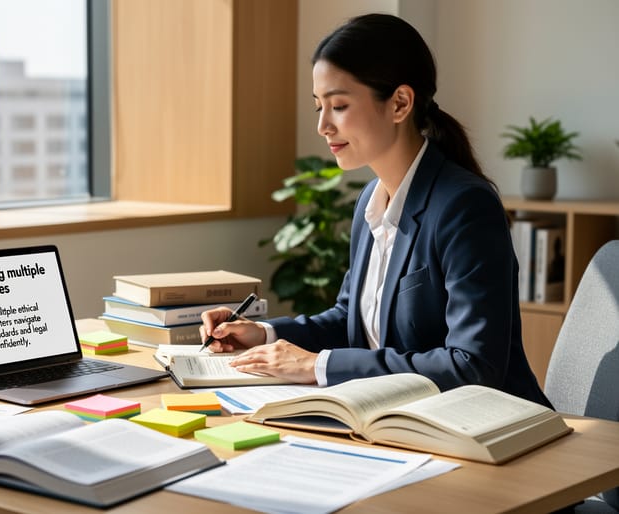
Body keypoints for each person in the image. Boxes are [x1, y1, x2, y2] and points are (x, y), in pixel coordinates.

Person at [200, 13, 552, 407]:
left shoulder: (464, 206)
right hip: (400, 418)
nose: (323, 126)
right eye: (319, 106)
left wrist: (319, 366)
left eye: (339, 106)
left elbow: (472, 366)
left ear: (400, 103)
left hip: (488, 427)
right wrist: (263, 333)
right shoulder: (371, 200)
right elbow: (352, 320)